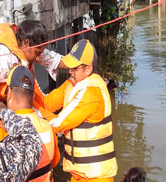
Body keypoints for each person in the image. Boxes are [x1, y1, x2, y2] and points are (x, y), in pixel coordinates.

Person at [34, 39, 118, 182]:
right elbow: (46, 104)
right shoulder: (72, 85)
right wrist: (29, 76)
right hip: (78, 173)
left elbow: (56, 124)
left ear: (88, 69)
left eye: (74, 68)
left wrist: (27, 114)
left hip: (97, 176)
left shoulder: (91, 93)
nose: (70, 72)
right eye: (69, 67)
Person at [0, 65, 60, 181]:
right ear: (33, 96)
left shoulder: (0, 133)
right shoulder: (47, 126)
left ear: (9, 93)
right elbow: (54, 162)